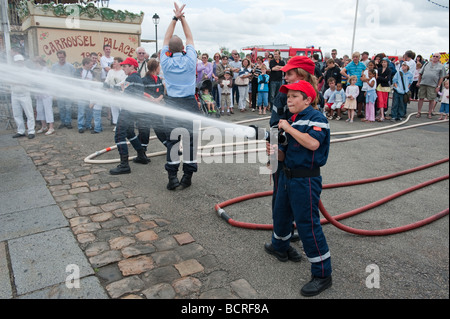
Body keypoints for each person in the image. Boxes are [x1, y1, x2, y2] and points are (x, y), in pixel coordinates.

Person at [265, 80, 332, 297]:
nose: (288, 100)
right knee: (281, 214)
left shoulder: (317, 119)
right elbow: (284, 154)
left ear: (307, 100)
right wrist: (273, 151)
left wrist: (287, 128)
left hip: (305, 180)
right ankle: (280, 246)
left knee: (307, 225)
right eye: (288, 96)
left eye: (294, 96)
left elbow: (313, 144)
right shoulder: (292, 120)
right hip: (286, 176)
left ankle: (322, 274)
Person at [159, 2, 200, 190]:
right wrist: (183, 18)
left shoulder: (165, 61)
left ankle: (172, 178)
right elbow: (190, 36)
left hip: (172, 104)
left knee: (173, 140)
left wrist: (174, 18)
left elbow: (166, 38)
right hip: (190, 104)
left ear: (169, 49)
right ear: (183, 47)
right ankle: (188, 176)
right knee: (190, 140)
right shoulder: (191, 59)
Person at [109, 57, 148, 175]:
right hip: (133, 110)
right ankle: (141, 155)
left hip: (127, 110)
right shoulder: (135, 78)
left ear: (132, 67)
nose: (123, 68)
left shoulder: (132, 78)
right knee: (130, 132)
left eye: (125, 66)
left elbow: (126, 94)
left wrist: (117, 92)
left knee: (119, 134)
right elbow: (123, 88)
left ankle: (124, 165)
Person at [140, 58, 166, 162]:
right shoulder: (144, 80)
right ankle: (142, 154)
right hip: (146, 111)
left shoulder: (158, 79)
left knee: (160, 129)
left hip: (156, 109)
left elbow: (161, 91)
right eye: (159, 67)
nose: (160, 69)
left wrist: (158, 99)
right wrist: (150, 100)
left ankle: (170, 148)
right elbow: (140, 93)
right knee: (144, 132)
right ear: (155, 68)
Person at [11, 54, 36, 139]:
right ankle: (20, 131)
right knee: (17, 114)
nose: (19, 63)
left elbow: (29, 82)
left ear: (22, 61)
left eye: (20, 61)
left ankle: (31, 131)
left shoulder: (27, 71)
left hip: (24, 94)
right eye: (17, 62)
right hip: (14, 94)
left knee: (29, 113)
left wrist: (18, 83)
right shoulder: (12, 71)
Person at [416, 53, 446, 119]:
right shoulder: (426, 64)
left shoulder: (441, 66)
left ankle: (429, 113)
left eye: (436, 56)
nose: (435, 57)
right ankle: (419, 112)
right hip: (423, 83)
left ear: (439, 58)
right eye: (434, 56)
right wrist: (418, 82)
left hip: (433, 85)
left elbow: (441, 77)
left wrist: (438, 86)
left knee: (431, 99)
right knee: (421, 98)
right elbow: (420, 73)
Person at [51, 50, 76, 129]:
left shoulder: (70, 67)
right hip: (59, 90)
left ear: (65, 56)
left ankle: (68, 122)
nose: (61, 59)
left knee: (68, 107)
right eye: (59, 57)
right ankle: (62, 122)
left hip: (68, 90)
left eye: (62, 57)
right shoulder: (54, 67)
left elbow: (74, 79)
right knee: (61, 107)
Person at [341, 52, 366, 118]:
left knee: (360, 99)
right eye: (354, 57)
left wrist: (363, 75)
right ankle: (350, 113)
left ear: (359, 58)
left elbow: (366, 70)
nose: (355, 58)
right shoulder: (350, 64)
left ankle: (359, 112)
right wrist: (348, 77)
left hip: (359, 83)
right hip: (351, 84)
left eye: (356, 57)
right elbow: (342, 71)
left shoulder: (362, 64)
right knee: (350, 98)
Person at [104, 57, 127, 131]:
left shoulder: (123, 72)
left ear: (120, 63)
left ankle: (123, 125)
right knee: (114, 109)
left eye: (115, 62)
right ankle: (117, 125)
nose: (114, 63)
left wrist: (115, 88)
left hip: (120, 93)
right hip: (112, 93)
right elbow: (107, 80)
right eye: (113, 62)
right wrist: (108, 86)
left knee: (121, 109)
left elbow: (123, 81)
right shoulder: (110, 71)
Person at [34, 57, 55, 136]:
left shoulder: (47, 70)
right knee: (39, 110)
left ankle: (51, 127)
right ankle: (44, 126)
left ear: (39, 63)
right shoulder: (36, 71)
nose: (35, 65)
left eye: (36, 63)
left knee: (48, 110)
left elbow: (49, 82)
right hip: (39, 94)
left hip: (46, 93)